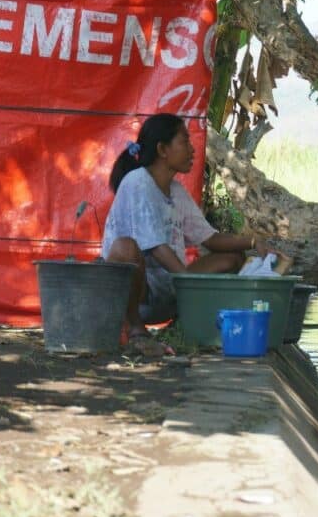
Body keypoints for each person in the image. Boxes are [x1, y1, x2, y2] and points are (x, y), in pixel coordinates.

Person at [102, 113, 288, 356]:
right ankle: (135, 330)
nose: (192, 150)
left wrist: (254, 242)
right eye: (184, 142)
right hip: (140, 295)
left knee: (232, 258)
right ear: (162, 149)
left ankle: (181, 325)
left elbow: (210, 239)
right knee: (124, 248)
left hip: (169, 288)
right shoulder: (137, 183)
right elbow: (157, 247)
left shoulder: (176, 191)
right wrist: (187, 282)